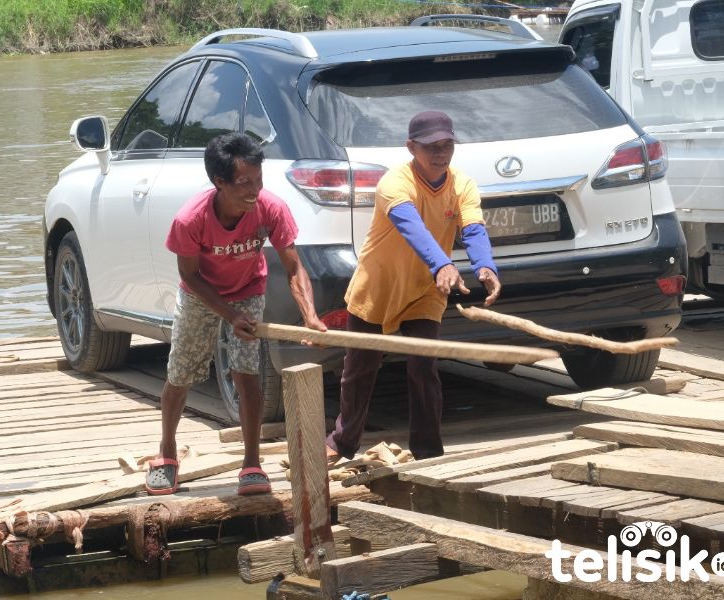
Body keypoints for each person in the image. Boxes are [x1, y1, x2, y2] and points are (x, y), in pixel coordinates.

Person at [147, 132, 327, 496]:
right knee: (181, 374)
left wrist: (309, 315)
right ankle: (166, 451)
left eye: (258, 181)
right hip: (201, 294)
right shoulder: (190, 220)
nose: (254, 191)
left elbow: (294, 267)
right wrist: (229, 315)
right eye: (244, 183)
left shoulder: (270, 208)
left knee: (247, 375)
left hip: (248, 289)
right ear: (219, 182)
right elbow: (189, 275)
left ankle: (251, 463)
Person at [326, 111, 502, 462]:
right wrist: (444, 264)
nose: (441, 153)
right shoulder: (394, 183)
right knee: (360, 370)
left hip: (425, 289)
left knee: (424, 369)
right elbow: (412, 228)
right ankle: (342, 443)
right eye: (431, 147)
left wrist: (485, 266)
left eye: (447, 145)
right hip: (379, 287)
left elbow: (473, 229)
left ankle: (428, 454)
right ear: (411, 147)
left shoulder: (462, 184)